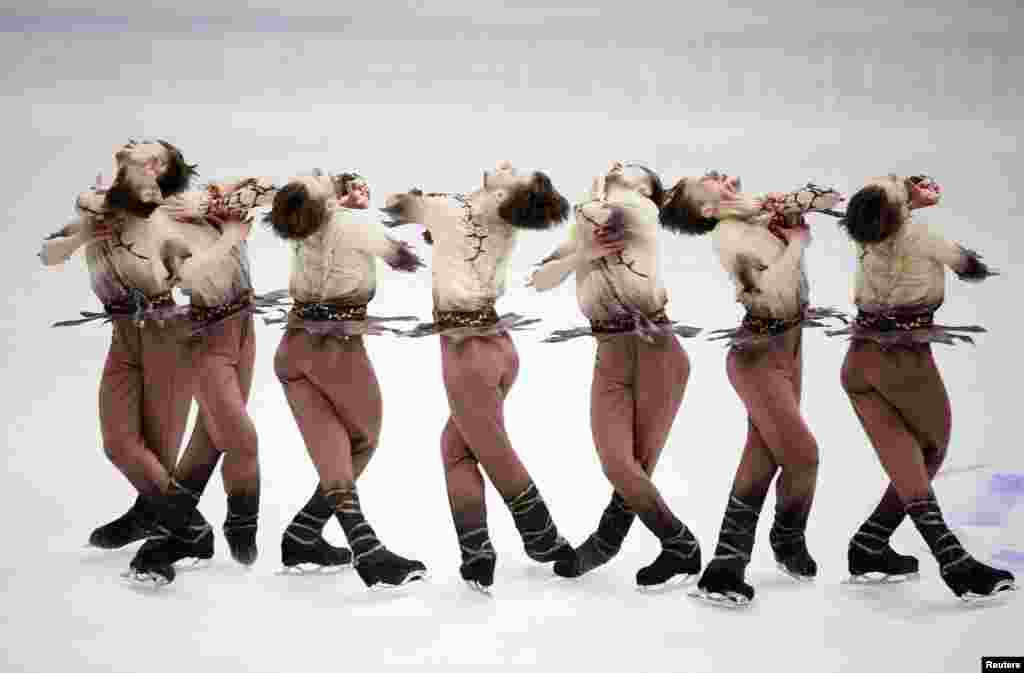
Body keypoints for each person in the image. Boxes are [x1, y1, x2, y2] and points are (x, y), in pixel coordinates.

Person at [380, 160, 575, 593]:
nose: (504, 165)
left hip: (468, 355)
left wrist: (434, 203)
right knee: (455, 448)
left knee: (494, 455)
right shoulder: (491, 219)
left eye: (512, 173)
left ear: (504, 197)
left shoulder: (452, 211)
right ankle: (477, 554)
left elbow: (395, 205)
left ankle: (542, 539)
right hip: (497, 349)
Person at [659, 171, 844, 606]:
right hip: (757, 355)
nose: (719, 175)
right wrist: (797, 240)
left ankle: (724, 570)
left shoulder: (758, 213)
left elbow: (832, 195)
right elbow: (775, 286)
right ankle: (787, 537)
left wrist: (792, 202)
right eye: (705, 182)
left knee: (762, 459)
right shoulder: (731, 237)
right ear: (707, 209)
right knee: (803, 455)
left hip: (791, 347)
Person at [829, 173, 1016, 601]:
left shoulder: (865, 235)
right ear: (898, 211)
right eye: (899, 188)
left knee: (905, 461)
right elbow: (972, 270)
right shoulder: (922, 236)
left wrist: (903, 202)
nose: (904, 184)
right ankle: (953, 562)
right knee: (931, 447)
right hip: (904, 361)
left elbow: (869, 212)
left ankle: (869, 546)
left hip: (858, 364)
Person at [40, 141, 221, 553]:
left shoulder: (161, 217)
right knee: (120, 444)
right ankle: (189, 526)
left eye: (147, 153)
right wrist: (82, 234)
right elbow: (48, 256)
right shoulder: (97, 207)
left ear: (156, 171)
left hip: (167, 333)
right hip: (122, 334)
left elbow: (190, 259)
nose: (132, 147)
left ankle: (153, 516)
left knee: (157, 450)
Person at [527, 161, 702, 589]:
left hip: (657, 349)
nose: (620, 168)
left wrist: (597, 188)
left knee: (635, 466)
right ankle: (678, 544)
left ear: (647, 191)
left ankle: (610, 542)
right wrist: (583, 253)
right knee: (617, 463)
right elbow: (540, 280)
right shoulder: (586, 225)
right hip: (609, 352)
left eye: (634, 172)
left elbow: (600, 214)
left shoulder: (640, 212)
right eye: (618, 169)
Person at [267, 171, 428, 585]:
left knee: (333, 450)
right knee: (363, 440)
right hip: (336, 349)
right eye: (319, 180)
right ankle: (367, 550)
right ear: (327, 201)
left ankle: (302, 536)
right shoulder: (353, 223)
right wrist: (372, 217)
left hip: (292, 350)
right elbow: (403, 259)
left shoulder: (301, 225)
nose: (324, 174)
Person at [126, 174, 282, 584]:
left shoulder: (205, 199)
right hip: (207, 338)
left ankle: (170, 544)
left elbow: (271, 192)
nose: (149, 175)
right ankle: (241, 523)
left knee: (207, 444)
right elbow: (186, 277)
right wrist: (231, 233)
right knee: (241, 439)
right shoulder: (157, 225)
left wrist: (212, 205)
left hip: (244, 329)